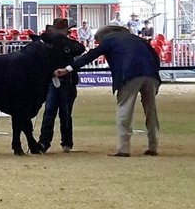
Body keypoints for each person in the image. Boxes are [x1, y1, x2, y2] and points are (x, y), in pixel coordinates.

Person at [55, 24, 161, 157]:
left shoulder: (109, 40)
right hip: (150, 74)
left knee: (125, 109)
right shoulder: (137, 39)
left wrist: (68, 68)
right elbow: (156, 57)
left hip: (128, 75)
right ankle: (153, 146)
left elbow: (90, 56)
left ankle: (124, 148)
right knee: (151, 110)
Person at [38, 18, 86, 153]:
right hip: (55, 81)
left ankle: (57, 142)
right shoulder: (51, 44)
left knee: (61, 113)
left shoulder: (63, 44)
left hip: (67, 81)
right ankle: (47, 142)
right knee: (53, 112)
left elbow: (80, 49)